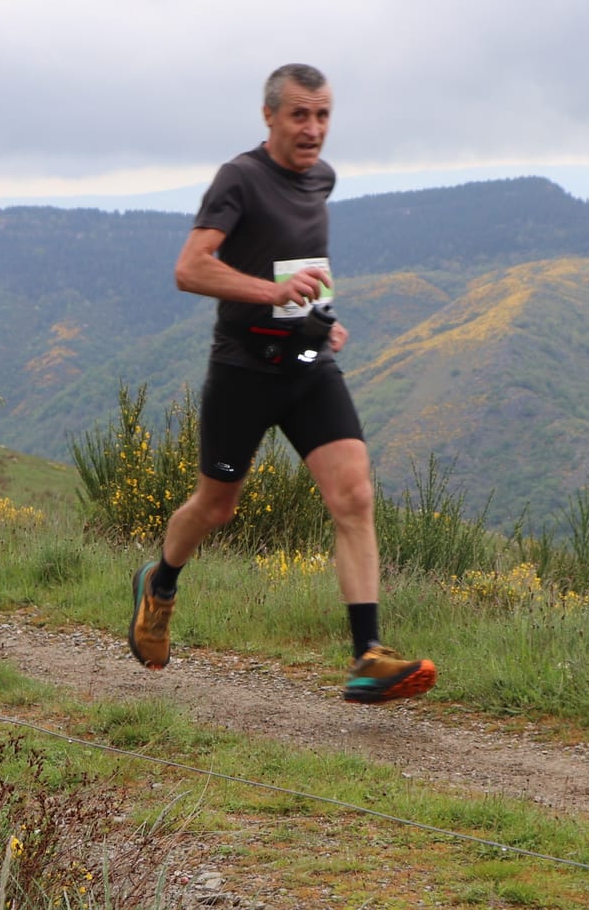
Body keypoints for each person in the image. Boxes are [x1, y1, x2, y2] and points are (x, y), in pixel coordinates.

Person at [125, 63, 436, 705]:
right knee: (217, 507)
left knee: (354, 497)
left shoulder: (321, 178)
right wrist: (270, 293)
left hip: (307, 363)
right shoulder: (239, 179)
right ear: (269, 116)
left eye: (323, 115)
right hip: (242, 370)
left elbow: (301, 265)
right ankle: (159, 583)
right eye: (300, 114)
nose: (313, 129)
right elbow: (190, 269)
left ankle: (368, 655)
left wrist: (323, 318)